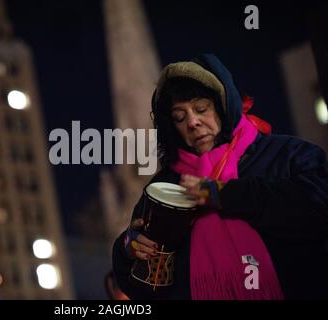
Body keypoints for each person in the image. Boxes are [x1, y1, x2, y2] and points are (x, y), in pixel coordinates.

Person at [112, 54, 328, 300]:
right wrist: (128, 251)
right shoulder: (165, 186)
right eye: (179, 117)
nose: (192, 122)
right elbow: (144, 290)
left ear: (224, 105)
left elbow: (319, 207)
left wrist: (223, 194)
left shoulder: (286, 154)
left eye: (201, 108)